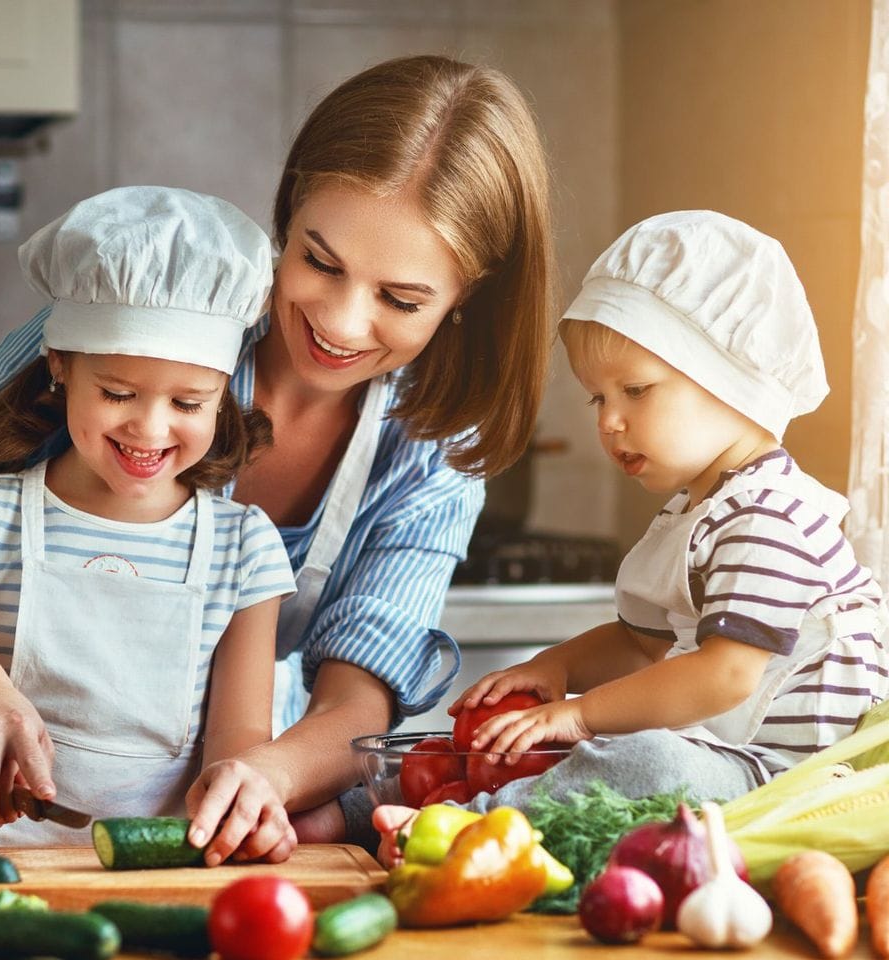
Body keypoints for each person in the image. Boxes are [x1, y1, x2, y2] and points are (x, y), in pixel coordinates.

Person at [0, 55, 555, 862]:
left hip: (172, 836)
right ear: (288, 212)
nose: (338, 320)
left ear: (467, 293)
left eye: (400, 299)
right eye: (319, 262)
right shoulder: (146, 317)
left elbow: (354, 703)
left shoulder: (431, 453)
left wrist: (261, 778)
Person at [375, 210, 888, 863]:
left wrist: (583, 715)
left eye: (636, 391)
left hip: (783, 781)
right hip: (724, 758)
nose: (610, 422)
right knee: (592, 749)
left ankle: (462, 829)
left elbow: (726, 675)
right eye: (598, 399)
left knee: (639, 756)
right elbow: (639, 646)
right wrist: (553, 667)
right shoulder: (698, 512)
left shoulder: (772, 518)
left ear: (730, 377)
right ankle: (373, 806)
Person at [0, 187, 298, 852]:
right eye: (118, 393)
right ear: (60, 366)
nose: (149, 428)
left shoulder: (244, 549)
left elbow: (239, 738)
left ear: (223, 395)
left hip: (154, 868)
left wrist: (238, 797)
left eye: (189, 401)